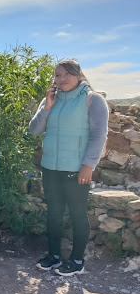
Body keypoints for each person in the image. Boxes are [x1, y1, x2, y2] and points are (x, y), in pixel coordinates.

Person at [30, 59, 108, 276]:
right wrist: (47, 106)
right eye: (57, 75)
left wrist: (88, 165)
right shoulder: (51, 99)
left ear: (79, 75)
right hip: (50, 168)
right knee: (54, 213)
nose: (61, 79)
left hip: (76, 168)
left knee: (77, 214)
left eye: (67, 74)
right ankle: (54, 256)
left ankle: (77, 260)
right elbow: (35, 129)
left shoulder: (93, 100)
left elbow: (99, 136)